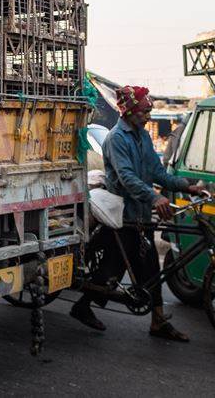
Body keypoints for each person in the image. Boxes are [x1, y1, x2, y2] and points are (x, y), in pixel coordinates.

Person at [69, 85, 204, 341]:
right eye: (144, 111)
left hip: (140, 214)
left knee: (136, 266)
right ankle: (152, 319)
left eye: (149, 110)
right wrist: (155, 196)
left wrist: (189, 186)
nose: (148, 116)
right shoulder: (116, 138)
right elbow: (127, 178)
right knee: (120, 267)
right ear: (129, 111)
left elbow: (158, 173)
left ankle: (151, 319)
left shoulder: (142, 136)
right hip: (124, 214)